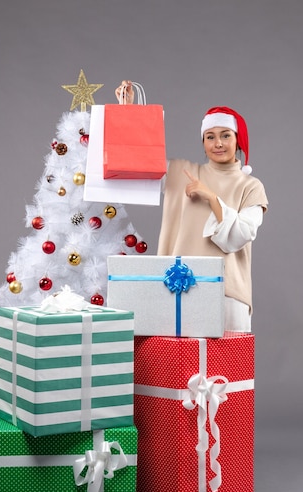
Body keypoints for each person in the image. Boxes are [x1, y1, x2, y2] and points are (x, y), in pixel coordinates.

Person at [115, 81, 268, 332]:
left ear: (239, 141)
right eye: (210, 137)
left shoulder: (251, 186)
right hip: (175, 288)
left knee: (225, 370)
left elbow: (240, 235)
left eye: (225, 135)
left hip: (227, 294)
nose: (218, 143)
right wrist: (129, 112)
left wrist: (210, 197)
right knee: (176, 367)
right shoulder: (181, 172)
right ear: (203, 142)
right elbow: (136, 162)